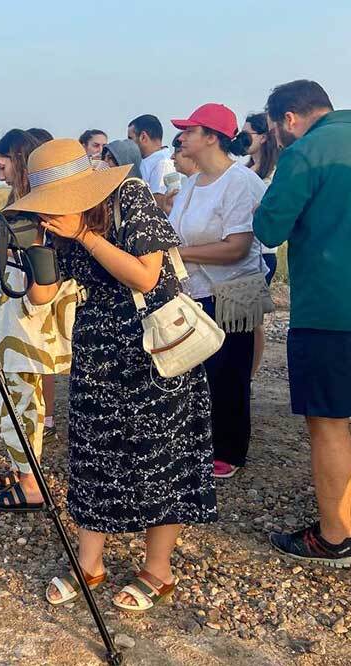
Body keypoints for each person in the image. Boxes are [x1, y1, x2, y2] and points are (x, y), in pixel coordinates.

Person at [14, 138, 215, 612]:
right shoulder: (54, 224)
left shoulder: (130, 196)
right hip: (97, 350)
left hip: (154, 348)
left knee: (160, 457)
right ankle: (90, 563)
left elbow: (146, 276)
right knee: (93, 454)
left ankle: (158, 569)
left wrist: (84, 234)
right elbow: (42, 297)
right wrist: (34, 247)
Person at [253, 79, 351, 567]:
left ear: (287, 119)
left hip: (331, 309)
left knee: (330, 422)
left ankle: (335, 536)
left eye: (274, 128)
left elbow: (269, 228)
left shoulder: (304, 153)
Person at [169, 103, 268, 480]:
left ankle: (229, 450)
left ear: (212, 137)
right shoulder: (193, 183)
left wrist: (177, 254)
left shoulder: (239, 181)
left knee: (228, 375)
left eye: (189, 131)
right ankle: (198, 443)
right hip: (194, 291)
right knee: (196, 373)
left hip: (232, 294)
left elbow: (236, 247)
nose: (181, 137)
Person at [0, 129, 77, 510]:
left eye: (3, 164)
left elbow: (40, 264)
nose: (0, 173)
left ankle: (30, 483)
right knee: (17, 395)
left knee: (19, 398)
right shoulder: (34, 203)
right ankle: (22, 469)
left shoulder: (38, 208)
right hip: (22, 313)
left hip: (27, 319)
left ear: (19, 160)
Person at [243, 112, 282, 376]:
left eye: (246, 134)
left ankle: (250, 373)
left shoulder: (274, 173)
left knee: (253, 319)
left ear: (264, 137)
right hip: (244, 251)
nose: (241, 139)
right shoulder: (244, 170)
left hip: (263, 252)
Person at [128, 114, 175, 209]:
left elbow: (158, 204)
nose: (128, 144)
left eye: (130, 139)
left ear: (143, 137)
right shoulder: (145, 160)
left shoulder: (163, 163)